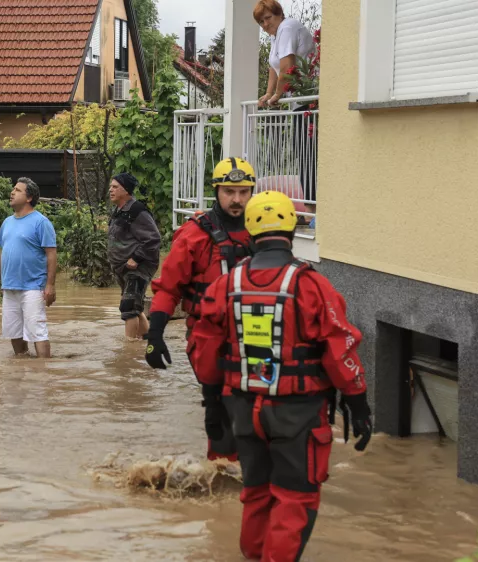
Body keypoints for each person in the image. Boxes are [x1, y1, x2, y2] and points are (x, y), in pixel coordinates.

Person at [191, 190, 373, 562]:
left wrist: (212, 405)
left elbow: (204, 351)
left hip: (242, 409)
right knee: (296, 497)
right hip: (298, 411)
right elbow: (340, 349)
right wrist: (358, 404)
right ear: (292, 229)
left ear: (251, 232)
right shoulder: (311, 285)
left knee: (256, 493)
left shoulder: (225, 285)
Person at [144, 157, 257, 462]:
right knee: (220, 406)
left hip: (256, 333)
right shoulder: (194, 235)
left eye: (244, 192)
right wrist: (155, 334)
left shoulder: (263, 232)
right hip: (209, 336)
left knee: (256, 410)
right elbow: (168, 288)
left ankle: (248, 476)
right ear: (216, 191)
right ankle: (221, 474)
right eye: (229, 192)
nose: (236, 200)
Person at [254, 0, 319, 203]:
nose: (265, 24)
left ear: (279, 14)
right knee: (302, 152)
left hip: (310, 97)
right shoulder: (276, 36)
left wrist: (278, 96)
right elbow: (274, 68)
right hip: (299, 100)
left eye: (268, 18)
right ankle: (310, 209)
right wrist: (268, 93)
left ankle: (312, 211)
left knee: (307, 154)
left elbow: (287, 65)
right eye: (261, 21)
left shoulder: (287, 27)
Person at [0, 177, 58, 358]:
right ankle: (22, 367)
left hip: (34, 287)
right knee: (14, 332)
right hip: (10, 286)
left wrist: (50, 285)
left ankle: (44, 372)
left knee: (37, 332)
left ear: (29, 198)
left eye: (17, 190)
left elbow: (51, 254)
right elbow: (2, 253)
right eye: (13, 189)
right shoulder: (7, 222)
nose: (12, 192)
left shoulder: (41, 222)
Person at [106, 172, 161, 340]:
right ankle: (148, 341)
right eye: (111, 187)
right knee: (134, 307)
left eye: (115, 187)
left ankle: (128, 352)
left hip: (139, 266)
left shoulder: (138, 210)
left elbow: (153, 239)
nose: (111, 190)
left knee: (128, 307)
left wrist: (136, 258)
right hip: (123, 267)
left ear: (126, 191)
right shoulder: (118, 211)